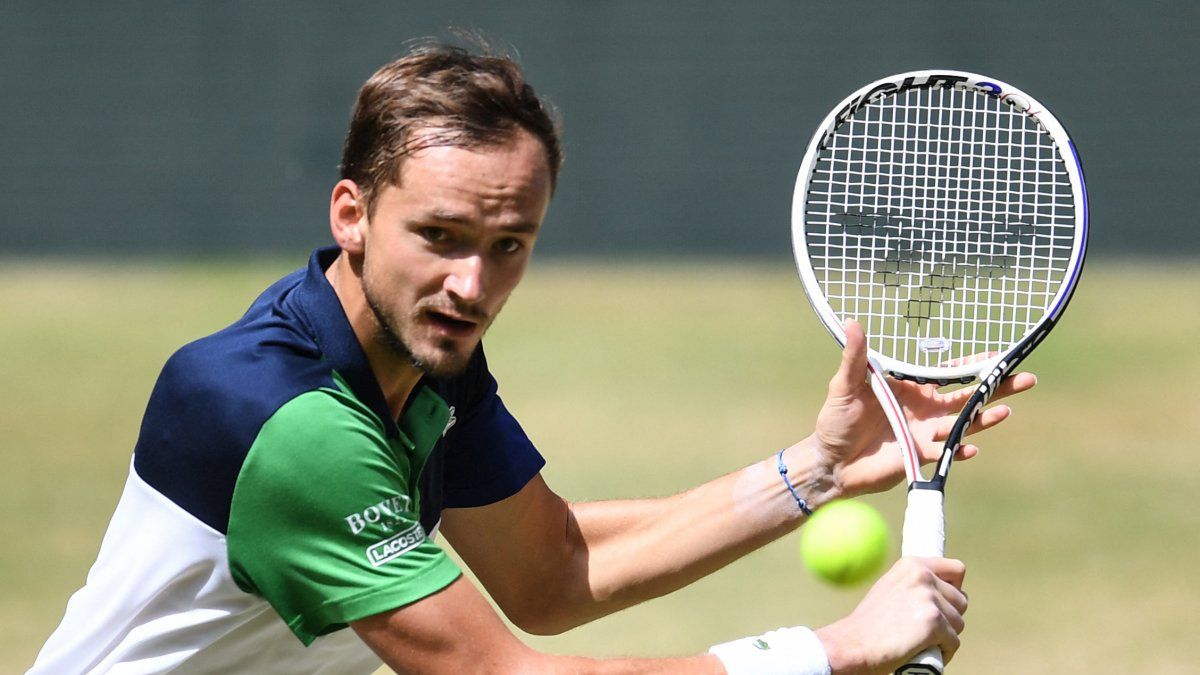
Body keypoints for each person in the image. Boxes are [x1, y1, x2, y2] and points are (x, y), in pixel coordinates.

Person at [30, 42, 1034, 675]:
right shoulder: (285, 422)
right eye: (442, 236)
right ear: (352, 215)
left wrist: (812, 472)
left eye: (508, 246)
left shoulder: (422, 360)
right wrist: (834, 650)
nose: (473, 286)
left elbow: (554, 570)